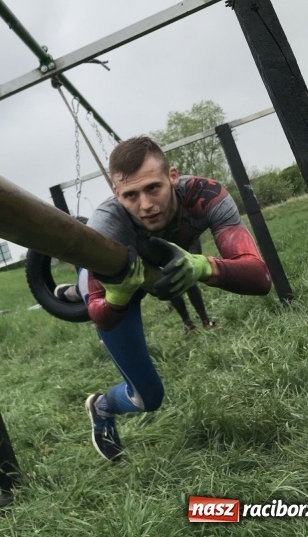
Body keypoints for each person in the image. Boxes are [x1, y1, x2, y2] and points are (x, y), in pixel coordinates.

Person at [80, 136, 272, 462]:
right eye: (130, 195)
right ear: (116, 195)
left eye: (153, 188)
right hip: (118, 279)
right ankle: (101, 406)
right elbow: (100, 317)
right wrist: (117, 296)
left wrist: (202, 265)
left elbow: (260, 278)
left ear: (172, 176)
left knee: (150, 398)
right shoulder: (104, 227)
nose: (145, 205)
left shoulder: (205, 195)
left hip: (170, 263)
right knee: (147, 398)